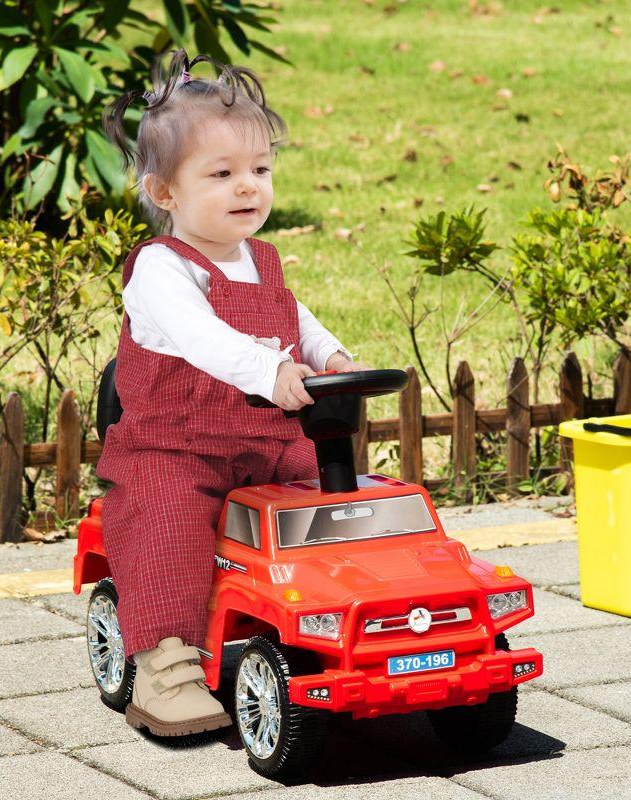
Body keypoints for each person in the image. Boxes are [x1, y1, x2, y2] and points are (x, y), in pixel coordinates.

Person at [96, 49, 368, 737]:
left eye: (260, 170)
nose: (248, 187)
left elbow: (295, 321)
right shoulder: (161, 269)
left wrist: (329, 355)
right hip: (175, 446)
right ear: (166, 194)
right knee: (165, 523)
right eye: (221, 175)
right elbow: (203, 339)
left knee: (346, 498)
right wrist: (270, 373)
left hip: (270, 445)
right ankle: (165, 665)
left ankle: (354, 615)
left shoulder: (260, 260)